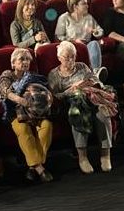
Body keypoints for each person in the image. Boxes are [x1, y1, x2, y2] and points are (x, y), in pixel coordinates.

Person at [48, 41, 115, 174]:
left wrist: (86, 84)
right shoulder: (54, 75)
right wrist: (72, 89)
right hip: (71, 103)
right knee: (78, 112)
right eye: (67, 57)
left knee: (102, 113)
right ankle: (82, 157)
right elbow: (55, 97)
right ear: (59, 58)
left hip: (91, 100)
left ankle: (105, 155)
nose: (71, 60)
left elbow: (95, 81)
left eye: (73, 56)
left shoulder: (82, 66)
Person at [0, 48, 54, 182]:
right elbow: (5, 91)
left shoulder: (32, 76)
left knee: (47, 126)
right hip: (15, 112)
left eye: (28, 59)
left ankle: (33, 166)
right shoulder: (7, 75)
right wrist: (21, 100)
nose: (25, 62)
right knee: (23, 130)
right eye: (21, 59)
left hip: (34, 112)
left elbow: (42, 92)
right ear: (13, 63)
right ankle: (40, 168)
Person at [55, 0, 105, 73]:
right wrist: (73, 41)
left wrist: (95, 31)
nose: (87, 6)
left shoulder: (89, 18)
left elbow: (100, 31)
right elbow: (58, 36)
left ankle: (96, 73)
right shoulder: (64, 18)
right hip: (70, 46)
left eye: (87, 3)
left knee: (94, 43)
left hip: (86, 45)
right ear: (75, 6)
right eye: (84, 4)